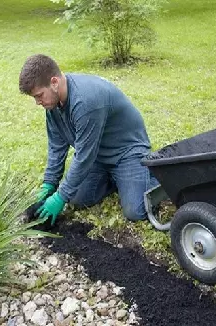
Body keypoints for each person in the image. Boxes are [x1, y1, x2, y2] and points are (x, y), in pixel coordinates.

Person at [19, 54, 159, 226]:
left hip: (127, 153)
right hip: (98, 156)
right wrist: (49, 184)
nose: (37, 102)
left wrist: (60, 196)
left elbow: (84, 156)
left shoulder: (85, 101)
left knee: (135, 211)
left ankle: (153, 174)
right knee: (77, 199)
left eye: (39, 95)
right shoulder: (52, 104)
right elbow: (57, 146)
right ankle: (117, 179)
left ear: (54, 82)